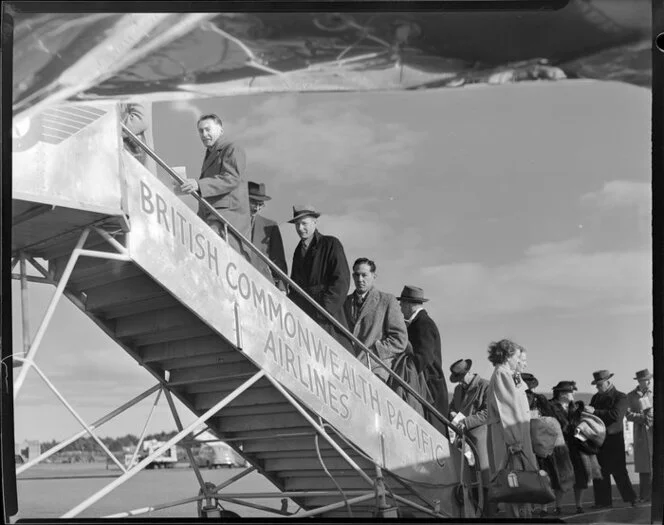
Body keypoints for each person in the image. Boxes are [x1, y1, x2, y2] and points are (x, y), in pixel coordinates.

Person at [177, 114, 251, 258]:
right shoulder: (211, 152)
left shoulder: (232, 148)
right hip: (213, 216)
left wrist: (198, 184)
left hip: (227, 218)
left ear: (220, 130)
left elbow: (232, 178)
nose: (204, 134)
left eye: (208, 129)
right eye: (201, 131)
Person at [288, 205, 352, 352]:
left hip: (328, 316)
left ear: (315, 223)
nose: (300, 228)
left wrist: (325, 310)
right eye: (297, 224)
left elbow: (341, 281)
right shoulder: (298, 251)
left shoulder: (330, 244)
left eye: (304, 223)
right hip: (306, 317)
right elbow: (295, 286)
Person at [486, 339, 537, 519]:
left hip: (518, 436)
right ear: (507, 356)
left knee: (522, 483)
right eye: (516, 356)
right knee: (515, 483)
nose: (519, 360)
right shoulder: (502, 374)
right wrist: (514, 440)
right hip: (512, 439)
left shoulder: (509, 374)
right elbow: (507, 409)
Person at [342, 258, 407, 381]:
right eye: (356, 275)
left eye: (364, 275)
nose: (360, 279)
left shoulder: (387, 301)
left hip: (376, 371)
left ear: (374, 276)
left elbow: (399, 340)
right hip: (348, 370)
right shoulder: (344, 302)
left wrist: (373, 352)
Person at [397, 285, 449, 432]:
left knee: (432, 431)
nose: (400, 309)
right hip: (428, 385)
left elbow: (424, 356)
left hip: (429, 387)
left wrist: (407, 371)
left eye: (402, 305)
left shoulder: (423, 324)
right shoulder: (421, 323)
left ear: (408, 305)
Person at [550, 381, 603, 515]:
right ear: (562, 394)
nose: (573, 394)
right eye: (570, 392)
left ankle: (579, 506)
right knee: (562, 477)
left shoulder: (576, 407)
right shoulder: (550, 406)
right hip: (560, 446)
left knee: (581, 477)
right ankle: (558, 506)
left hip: (578, 446)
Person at [524, 375, 574, 517]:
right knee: (556, 477)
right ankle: (554, 507)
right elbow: (559, 422)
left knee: (543, 478)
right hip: (553, 444)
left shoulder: (532, 400)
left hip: (539, 445)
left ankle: (544, 508)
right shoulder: (540, 400)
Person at [587, 369, 638, 509]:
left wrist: (594, 412)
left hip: (614, 439)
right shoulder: (596, 398)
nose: (597, 388)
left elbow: (616, 415)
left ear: (608, 382)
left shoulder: (621, 397)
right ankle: (603, 502)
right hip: (599, 439)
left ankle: (630, 498)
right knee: (600, 473)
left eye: (599, 385)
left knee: (619, 471)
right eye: (596, 385)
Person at [448, 359, 492, 516]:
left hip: (481, 441)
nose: (460, 382)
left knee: (484, 481)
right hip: (464, 442)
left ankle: (486, 513)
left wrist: (465, 421)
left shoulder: (486, 386)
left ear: (468, 374)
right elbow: (453, 407)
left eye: (461, 378)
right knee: (470, 480)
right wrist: (452, 413)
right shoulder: (459, 390)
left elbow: (488, 413)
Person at [247, 181, 288, 291]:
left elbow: (278, 259)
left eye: (261, 204)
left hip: (263, 285)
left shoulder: (270, 226)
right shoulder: (232, 220)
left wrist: (282, 288)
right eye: (254, 202)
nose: (257, 208)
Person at [626, 368, 653, 502]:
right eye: (644, 380)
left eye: (649, 379)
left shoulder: (655, 393)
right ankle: (644, 496)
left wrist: (652, 417)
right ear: (639, 381)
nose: (648, 382)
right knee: (644, 467)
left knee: (657, 464)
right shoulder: (631, 396)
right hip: (641, 433)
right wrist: (643, 418)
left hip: (654, 433)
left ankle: (657, 494)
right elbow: (628, 414)